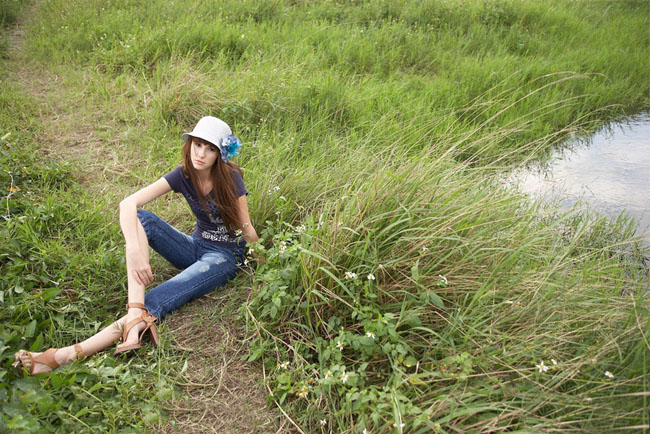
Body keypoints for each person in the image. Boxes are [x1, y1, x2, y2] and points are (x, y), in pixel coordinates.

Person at [13, 116, 258, 375]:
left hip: (223, 257)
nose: (201, 154)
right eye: (197, 145)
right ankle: (135, 312)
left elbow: (247, 228)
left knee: (159, 297)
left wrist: (263, 264)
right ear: (190, 145)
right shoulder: (184, 174)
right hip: (195, 245)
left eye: (210, 149)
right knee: (141, 219)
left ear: (220, 154)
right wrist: (134, 250)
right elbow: (128, 204)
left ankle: (67, 355)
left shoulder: (230, 177)